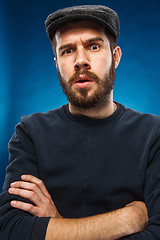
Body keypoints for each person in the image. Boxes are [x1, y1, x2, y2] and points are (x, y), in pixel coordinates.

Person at [0, 4, 160, 240]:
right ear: (57, 64)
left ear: (115, 57)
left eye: (93, 46)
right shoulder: (30, 132)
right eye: (67, 51)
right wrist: (126, 220)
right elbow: (11, 229)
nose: (80, 61)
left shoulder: (153, 133)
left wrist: (56, 225)